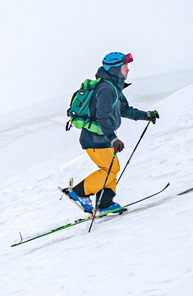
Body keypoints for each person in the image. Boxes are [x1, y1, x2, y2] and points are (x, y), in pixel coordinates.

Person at [64, 52, 159, 214]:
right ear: (114, 70)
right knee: (109, 170)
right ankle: (78, 193)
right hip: (95, 138)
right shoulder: (106, 89)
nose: (127, 70)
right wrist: (113, 138)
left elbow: (124, 110)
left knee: (112, 168)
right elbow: (102, 117)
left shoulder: (113, 87)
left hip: (102, 137)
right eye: (124, 67)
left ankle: (105, 203)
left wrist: (145, 115)